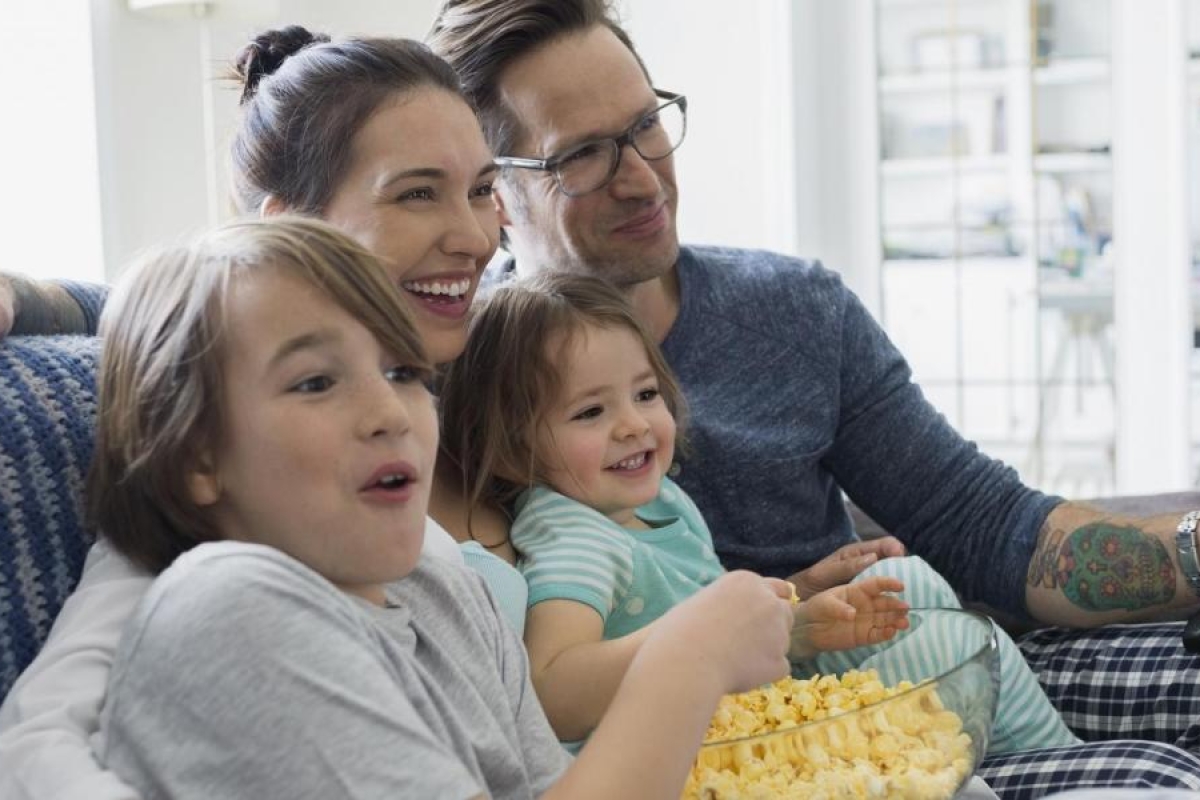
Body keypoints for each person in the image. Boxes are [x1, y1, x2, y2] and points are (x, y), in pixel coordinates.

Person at [0, 27, 891, 800]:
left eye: (478, 191)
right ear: (298, 226)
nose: (475, 236)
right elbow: (41, 743)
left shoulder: (482, 366)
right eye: (416, 192)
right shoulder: (221, 542)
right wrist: (33, 295)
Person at [422, 0, 1200, 794]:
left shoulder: (793, 308)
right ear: (497, 198)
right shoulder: (463, 384)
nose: (640, 176)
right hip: (777, 752)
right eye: (582, 155)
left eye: (646, 125)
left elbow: (982, 524)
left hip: (911, 657)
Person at [92, 213, 799, 798]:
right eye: (314, 382)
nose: (389, 411)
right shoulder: (229, 606)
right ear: (196, 457)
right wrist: (689, 660)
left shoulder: (438, 581)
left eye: (401, 371)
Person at [440, 271, 1080, 755]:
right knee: (944, 638)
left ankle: (1036, 758)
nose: (634, 425)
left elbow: (711, 603)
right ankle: (1058, 765)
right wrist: (747, 635)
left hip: (747, 706)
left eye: (644, 393)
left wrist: (800, 591)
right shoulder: (573, 534)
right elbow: (552, 690)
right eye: (589, 412)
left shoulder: (656, 499)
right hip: (698, 749)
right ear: (514, 445)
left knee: (906, 587)